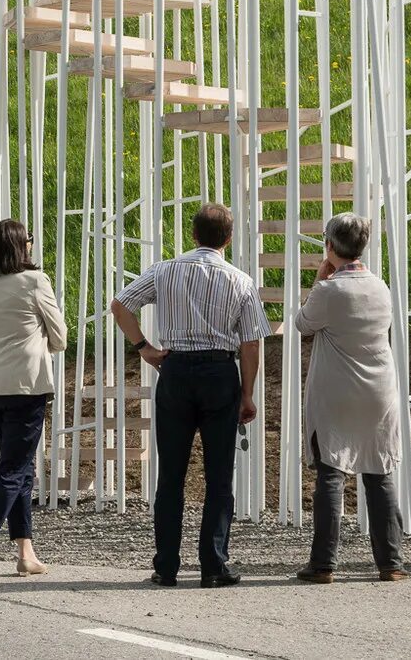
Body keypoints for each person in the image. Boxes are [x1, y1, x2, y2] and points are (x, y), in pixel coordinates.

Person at [108, 204, 268, 588]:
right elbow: (250, 344)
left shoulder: (166, 270)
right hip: (218, 372)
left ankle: (166, 566)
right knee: (218, 476)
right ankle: (214, 564)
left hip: (175, 369)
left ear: (193, 235)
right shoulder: (241, 281)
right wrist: (247, 393)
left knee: (172, 474)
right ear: (228, 239)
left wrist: (144, 346)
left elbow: (120, 305)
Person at [292, 214, 407, 584]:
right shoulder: (381, 287)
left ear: (329, 244)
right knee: (379, 471)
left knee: (331, 471)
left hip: (337, 390)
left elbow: (302, 324)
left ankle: (323, 563)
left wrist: (319, 280)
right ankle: (391, 562)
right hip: (380, 390)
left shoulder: (329, 291)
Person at [0, 218, 68, 582]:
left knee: (20, 468)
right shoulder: (35, 281)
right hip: (26, 384)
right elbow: (60, 335)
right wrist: (42, 345)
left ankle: (26, 552)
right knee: (12, 470)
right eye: (30, 239)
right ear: (21, 246)